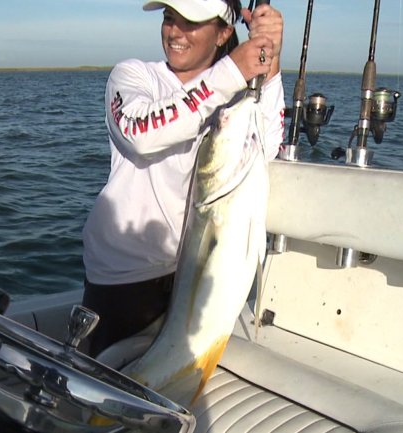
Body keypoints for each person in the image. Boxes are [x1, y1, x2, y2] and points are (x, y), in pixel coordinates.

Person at [81, 0, 285, 357]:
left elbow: (264, 151)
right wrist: (232, 72)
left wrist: (270, 66)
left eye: (190, 22)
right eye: (169, 18)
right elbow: (139, 133)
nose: (175, 31)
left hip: (201, 269)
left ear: (223, 32)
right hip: (126, 279)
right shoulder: (133, 76)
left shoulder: (236, 93)